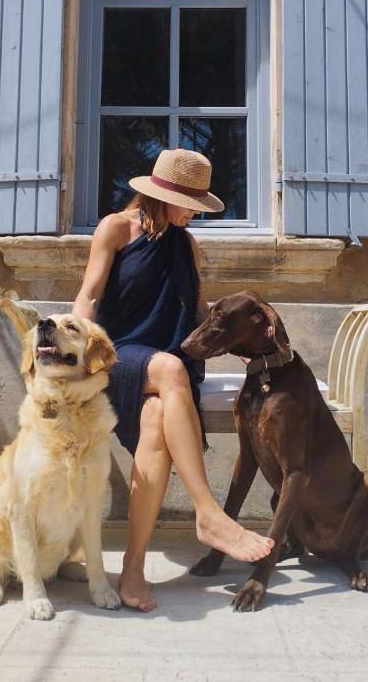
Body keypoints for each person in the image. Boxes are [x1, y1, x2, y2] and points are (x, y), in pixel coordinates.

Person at [73, 148, 273, 611]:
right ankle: (208, 512)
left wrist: (244, 344)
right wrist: (78, 355)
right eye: (188, 205)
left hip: (168, 370)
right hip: (119, 355)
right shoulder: (115, 228)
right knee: (170, 368)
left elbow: (199, 313)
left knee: (157, 420)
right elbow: (89, 295)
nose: (192, 214)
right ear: (161, 196)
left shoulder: (187, 245)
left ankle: (133, 570)